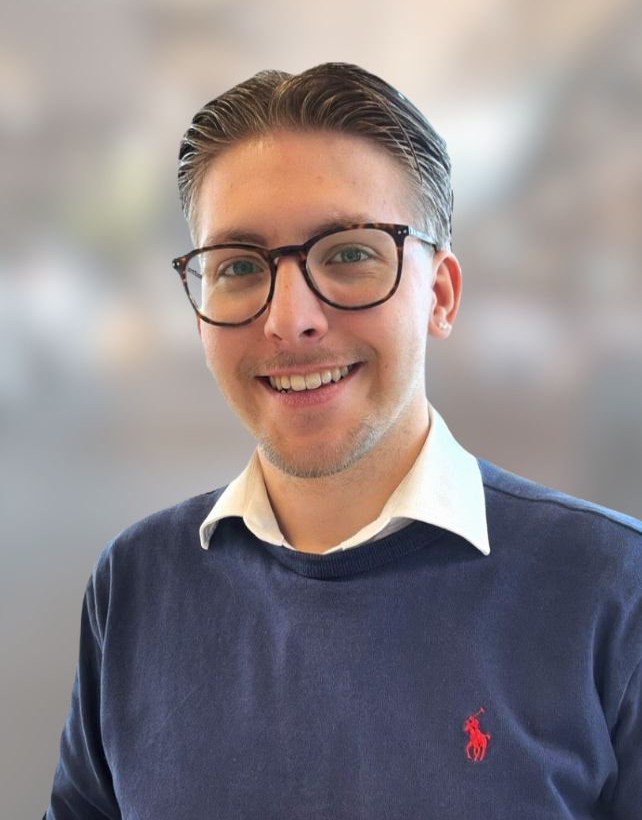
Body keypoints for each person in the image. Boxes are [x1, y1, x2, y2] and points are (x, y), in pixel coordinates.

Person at [45, 63, 642, 819]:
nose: (290, 319)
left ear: (441, 294)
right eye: (238, 267)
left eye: (350, 254)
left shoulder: (611, 588)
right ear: (199, 314)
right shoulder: (134, 584)